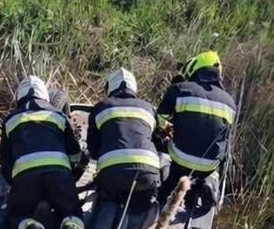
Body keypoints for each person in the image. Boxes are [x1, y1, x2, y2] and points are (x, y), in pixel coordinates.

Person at [0, 75, 86, 229]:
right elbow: (75, 153)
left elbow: (5, 164)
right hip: (58, 175)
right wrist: (71, 176)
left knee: (16, 216)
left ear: (19, 96)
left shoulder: (10, 120)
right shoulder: (58, 115)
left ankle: (31, 228)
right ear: (45, 95)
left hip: (25, 178)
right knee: (71, 211)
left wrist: (16, 186)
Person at [155, 51, 236, 206]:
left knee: (171, 161)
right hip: (210, 163)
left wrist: (166, 128)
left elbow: (159, 119)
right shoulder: (230, 102)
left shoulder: (179, 89)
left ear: (194, 68)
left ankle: (167, 185)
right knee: (213, 163)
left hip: (180, 158)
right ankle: (209, 182)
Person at [87, 68, 162, 209]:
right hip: (146, 174)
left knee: (106, 203)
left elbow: (93, 150)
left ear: (109, 88)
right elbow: (158, 143)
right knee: (142, 205)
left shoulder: (101, 107)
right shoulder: (149, 108)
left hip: (111, 175)